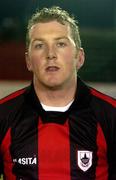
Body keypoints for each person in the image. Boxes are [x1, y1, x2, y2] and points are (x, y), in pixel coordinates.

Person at [0, 6, 116, 180]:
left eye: (61, 44)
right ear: (28, 61)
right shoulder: (3, 115)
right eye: (39, 45)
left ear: (80, 57)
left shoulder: (110, 115)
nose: (50, 54)